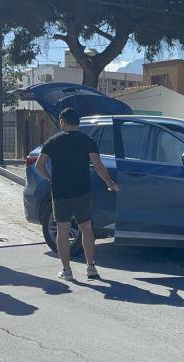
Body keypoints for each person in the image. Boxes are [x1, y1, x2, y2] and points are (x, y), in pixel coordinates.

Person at [35, 108, 119, 281]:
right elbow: (98, 165)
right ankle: (91, 267)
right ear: (78, 123)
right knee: (87, 229)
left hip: (60, 193)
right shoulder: (88, 140)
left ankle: (67, 270)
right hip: (82, 192)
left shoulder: (53, 141)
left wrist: (50, 178)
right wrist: (109, 182)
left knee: (62, 231)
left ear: (62, 122)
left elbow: (39, 165)